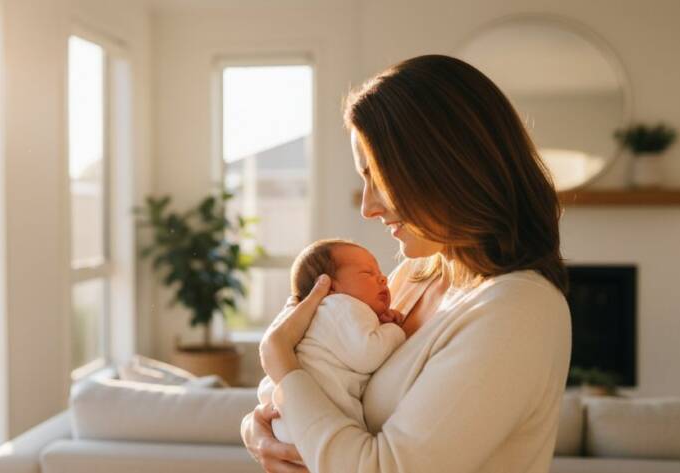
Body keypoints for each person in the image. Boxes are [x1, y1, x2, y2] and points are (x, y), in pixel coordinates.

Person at [240, 54, 572, 473]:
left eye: (377, 177)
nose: (367, 207)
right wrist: (257, 431)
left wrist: (281, 363)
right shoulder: (412, 277)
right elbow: (321, 383)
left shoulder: (518, 311)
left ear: (443, 167)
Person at [257, 239, 406, 444]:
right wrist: (394, 330)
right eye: (367, 273)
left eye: (379, 272)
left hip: (285, 417)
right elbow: (367, 354)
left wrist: (379, 323)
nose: (383, 278)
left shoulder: (313, 314)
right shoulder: (341, 305)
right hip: (313, 420)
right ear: (330, 287)